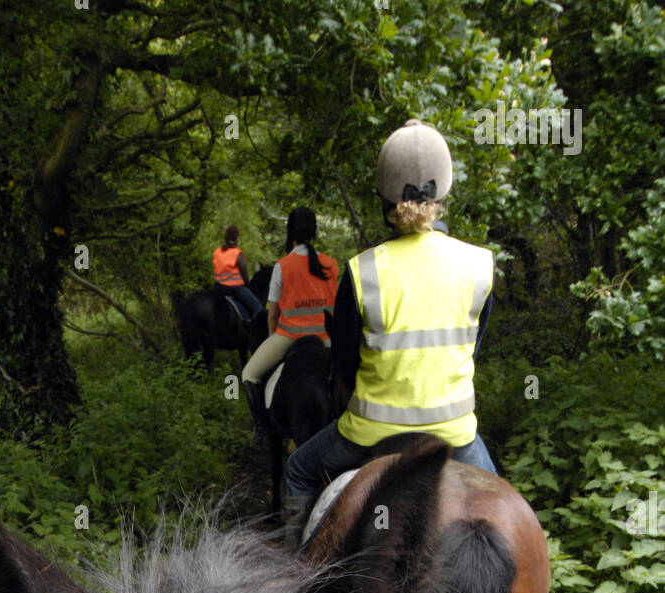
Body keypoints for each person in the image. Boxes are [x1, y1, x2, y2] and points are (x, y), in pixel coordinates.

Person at [281, 120, 496, 549]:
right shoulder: (478, 266)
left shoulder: (362, 271)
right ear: (444, 192)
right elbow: (473, 347)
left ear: (385, 196)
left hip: (370, 431)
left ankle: (292, 576)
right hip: (455, 435)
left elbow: (344, 362)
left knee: (297, 471)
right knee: (500, 511)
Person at [241, 207, 339, 442]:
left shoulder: (282, 266)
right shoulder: (331, 264)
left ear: (291, 233)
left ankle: (261, 429)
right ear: (314, 232)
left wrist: (273, 337)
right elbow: (334, 309)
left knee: (247, 374)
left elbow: (272, 313)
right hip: (325, 338)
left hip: (289, 336)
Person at [212, 225, 263, 320]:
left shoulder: (217, 252)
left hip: (218, 287)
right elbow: (245, 274)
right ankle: (252, 327)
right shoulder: (237, 253)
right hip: (235, 288)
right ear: (236, 239)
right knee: (258, 308)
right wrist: (248, 285)